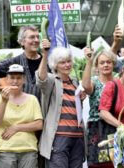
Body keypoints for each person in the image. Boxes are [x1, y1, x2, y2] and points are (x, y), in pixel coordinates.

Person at [37, 40, 85, 168]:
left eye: (68, 61)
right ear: (55, 65)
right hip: (58, 137)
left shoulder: (75, 83)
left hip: (78, 136)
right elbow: (41, 79)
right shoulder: (52, 80)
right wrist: (45, 54)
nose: (67, 65)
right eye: (62, 62)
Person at [0, 64, 43, 168]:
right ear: (7, 79)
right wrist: (4, 102)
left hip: (28, 149)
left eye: (19, 78)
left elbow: (39, 124)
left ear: (24, 80)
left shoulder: (32, 99)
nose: (15, 81)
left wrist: (17, 127)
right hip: (6, 149)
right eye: (12, 78)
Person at [0, 26, 42, 101]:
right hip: (20, 110)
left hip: (46, 111)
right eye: (32, 37)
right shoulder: (14, 62)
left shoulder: (47, 62)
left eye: (37, 37)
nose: (36, 40)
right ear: (22, 41)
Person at [82, 48, 117, 168]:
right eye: (102, 63)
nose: (105, 65)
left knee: (115, 162)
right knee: (97, 163)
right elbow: (86, 87)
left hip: (115, 125)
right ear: (97, 66)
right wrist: (89, 61)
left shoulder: (118, 81)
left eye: (108, 62)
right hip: (97, 127)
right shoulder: (94, 81)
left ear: (113, 64)